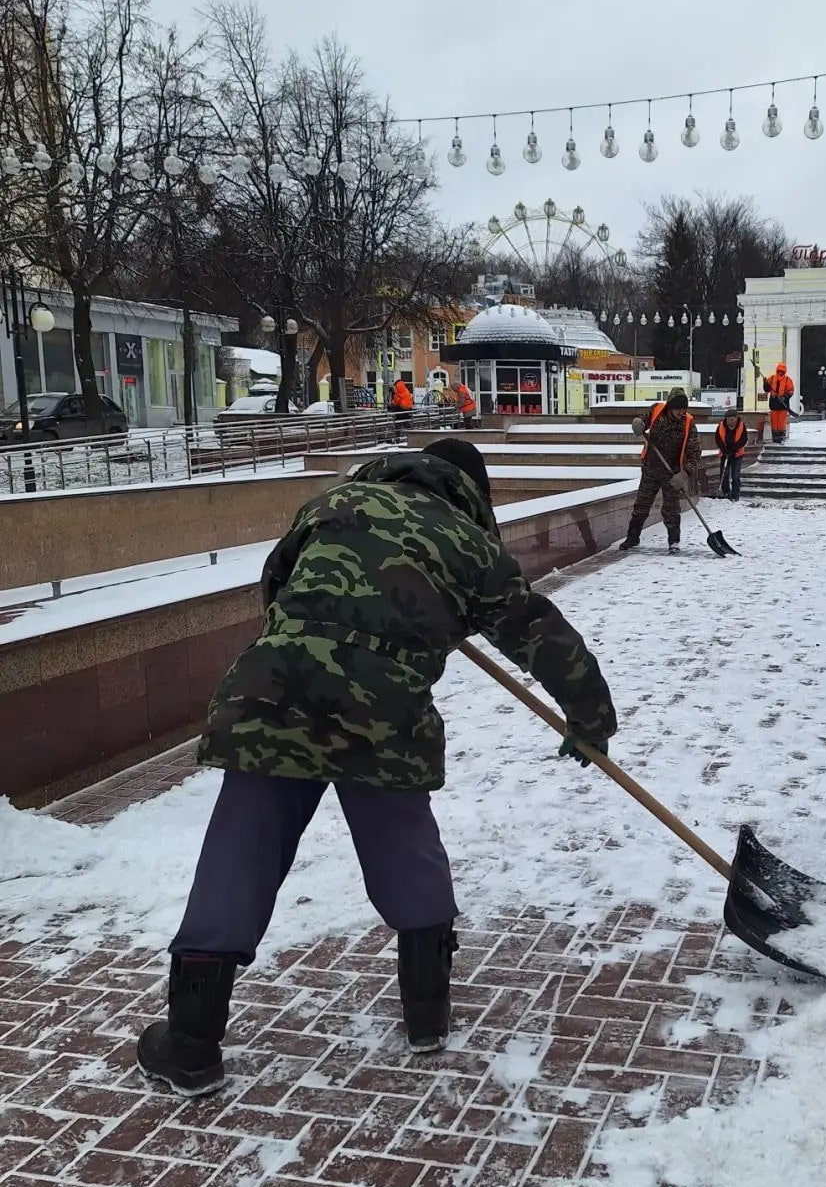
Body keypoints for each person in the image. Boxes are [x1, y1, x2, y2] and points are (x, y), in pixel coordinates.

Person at [135, 439, 616, 1097]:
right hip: (381, 714)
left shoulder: (335, 502)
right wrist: (589, 718)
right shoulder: (473, 549)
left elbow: (276, 584)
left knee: (240, 850)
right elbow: (543, 635)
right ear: (470, 494)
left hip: (272, 695)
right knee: (403, 847)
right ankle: (426, 1015)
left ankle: (190, 1042)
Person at [619, 388, 700, 555]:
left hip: (672, 473)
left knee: (671, 508)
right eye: (677, 409)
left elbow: (694, 453)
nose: (681, 412)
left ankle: (674, 541)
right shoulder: (656, 410)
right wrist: (638, 423)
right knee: (642, 504)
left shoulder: (688, 422)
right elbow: (642, 420)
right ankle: (632, 537)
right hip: (651, 469)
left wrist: (684, 473)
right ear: (670, 407)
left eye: (684, 409)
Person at [715, 406, 748, 501]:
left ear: (736, 418)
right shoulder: (721, 425)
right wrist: (724, 449)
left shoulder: (741, 426)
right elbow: (718, 438)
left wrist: (734, 449)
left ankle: (735, 494)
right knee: (724, 474)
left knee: (735, 475)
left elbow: (743, 439)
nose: (730, 422)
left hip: (737, 454)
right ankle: (726, 493)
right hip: (725, 453)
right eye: (728, 419)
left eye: (732, 419)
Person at [763, 363, 795, 443]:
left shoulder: (788, 380)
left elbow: (791, 391)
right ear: (777, 370)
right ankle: (775, 437)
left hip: (783, 405)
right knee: (774, 422)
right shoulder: (772, 378)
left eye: (782, 371)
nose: (780, 372)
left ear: (784, 371)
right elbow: (767, 389)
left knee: (781, 422)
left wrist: (784, 397)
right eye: (779, 371)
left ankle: (781, 436)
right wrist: (765, 383)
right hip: (774, 404)